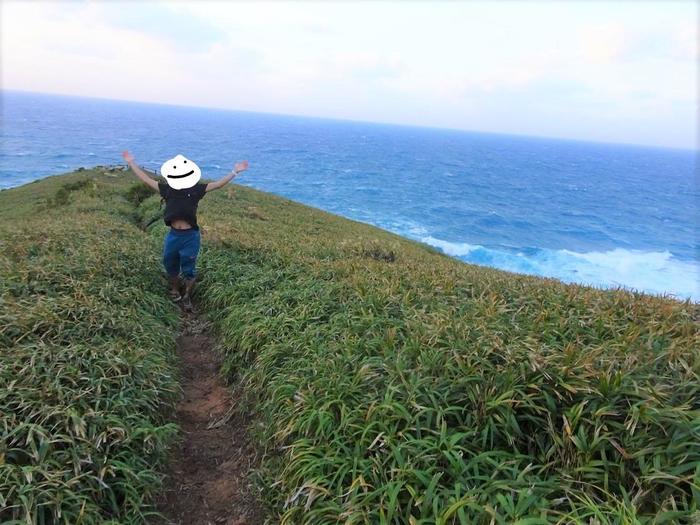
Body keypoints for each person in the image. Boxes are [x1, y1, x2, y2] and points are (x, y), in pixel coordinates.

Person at [122, 151, 249, 311]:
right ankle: (175, 290)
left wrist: (234, 171)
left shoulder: (196, 190)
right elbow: (146, 179)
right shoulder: (168, 189)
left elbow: (218, 184)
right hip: (173, 235)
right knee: (170, 264)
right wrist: (131, 162)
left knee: (189, 269)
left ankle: (187, 296)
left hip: (190, 237)